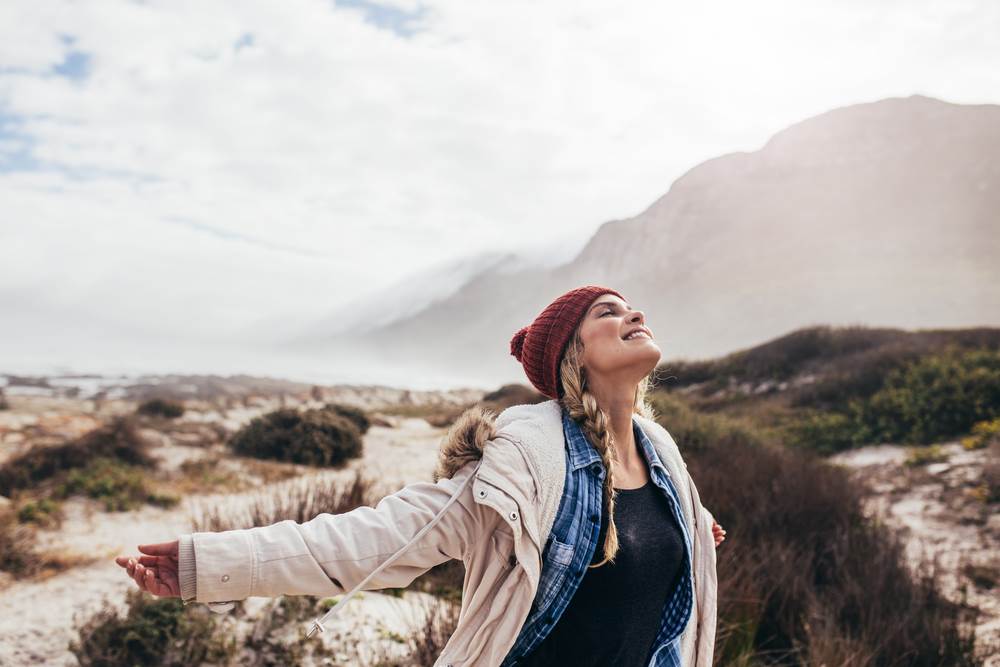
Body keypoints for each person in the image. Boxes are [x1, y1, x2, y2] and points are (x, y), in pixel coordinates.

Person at [116, 284, 726, 666]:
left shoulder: (661, 456)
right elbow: (370, 540)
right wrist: (205, 566)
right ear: (574, 352)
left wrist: (690, 528)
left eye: (629, 305)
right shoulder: (521, 472)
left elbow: (653, 553)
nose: (633, 312)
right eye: (607, 311)